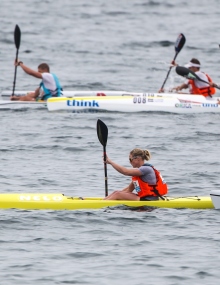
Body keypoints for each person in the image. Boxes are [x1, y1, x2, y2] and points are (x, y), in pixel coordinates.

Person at [104, 148, 168, 201]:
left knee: (117, 194)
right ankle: (103, 202)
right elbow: (129, 189)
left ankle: (101, 207)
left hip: (149, 199)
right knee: (116, 192)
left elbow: (125, 172)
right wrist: (117, 196)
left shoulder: (145, 169)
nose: (129, 162)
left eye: (130, 159)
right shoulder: (139, 173)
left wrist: (111, 162)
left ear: (138, 159)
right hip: (145, 197)